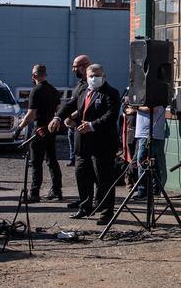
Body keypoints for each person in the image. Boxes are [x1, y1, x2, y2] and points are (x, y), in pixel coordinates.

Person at [57, 64, 119, 224]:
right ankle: (85, 206)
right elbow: (70, 106)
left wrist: (91, 126)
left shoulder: (111, 93)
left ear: (103, 76)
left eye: (97, 75)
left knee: (103, 179)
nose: (93, 78)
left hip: (101, 144)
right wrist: (59, 118)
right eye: (91, 76)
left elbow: (111, 116)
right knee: (82, 175)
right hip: (82, 143)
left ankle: (106, 212)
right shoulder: (83, 91)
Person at [16, 64, 63, 202]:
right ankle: (56, 190)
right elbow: (58, 109)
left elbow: (31, 114)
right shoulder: (54, 90)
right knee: (52, 160)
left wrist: (19, 128)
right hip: (51, 128)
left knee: (36, 162)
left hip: (39, 129)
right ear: (46, 75)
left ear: (33, 76)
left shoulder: (36, 91)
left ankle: (34, 193)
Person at [49, 55, 91, 199]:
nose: (74, 70)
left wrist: (73, 116)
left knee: (93, 173)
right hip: (79, 135)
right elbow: (71, 104)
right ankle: (83, 200)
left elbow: (87, 107)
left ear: (84, 67)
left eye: (75, 67)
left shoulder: (93, 86)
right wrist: (58, 117)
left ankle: (96, 202)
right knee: (80, 170)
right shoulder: (80, 85)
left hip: (92, 136)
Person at [132, 103, 167, 199]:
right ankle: (156, 188)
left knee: (142, 159)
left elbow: (153, 109)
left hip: (151, 132)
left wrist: (136, 107)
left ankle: (143, 190)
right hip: (142, 131)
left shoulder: (155, 90)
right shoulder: (141, 91)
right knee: (153, 160)